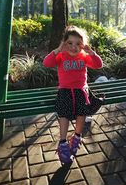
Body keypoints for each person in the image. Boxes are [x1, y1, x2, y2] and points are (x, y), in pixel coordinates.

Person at [43, 26, 103, 163]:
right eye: (70, 43)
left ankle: (76, 137)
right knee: (63, 114)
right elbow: (46, 63)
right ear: (64, 44)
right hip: (65, 90)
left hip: (81, 91)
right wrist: (57, 50)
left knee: (81, 115)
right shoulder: (60, 56)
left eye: (78, 44)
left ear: (83, 46)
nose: (73, 47)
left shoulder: (84, 56)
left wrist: (92, 53)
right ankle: (63, 143)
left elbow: (99, 65)